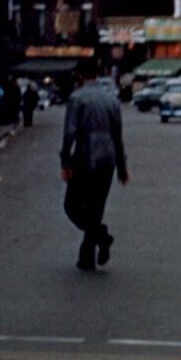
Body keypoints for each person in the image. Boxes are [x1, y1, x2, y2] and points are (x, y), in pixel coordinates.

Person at [60, 58, 129, 272]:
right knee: (96, 206)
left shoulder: (77, 98)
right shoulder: (111, 99)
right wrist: (122, 165)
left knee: (72, 206)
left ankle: (101, 237)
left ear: (80, 75)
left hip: (84, 156)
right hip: (107, 158)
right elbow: (118, 134)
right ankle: (88, 254)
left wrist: (65, 160)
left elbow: (70, 132)